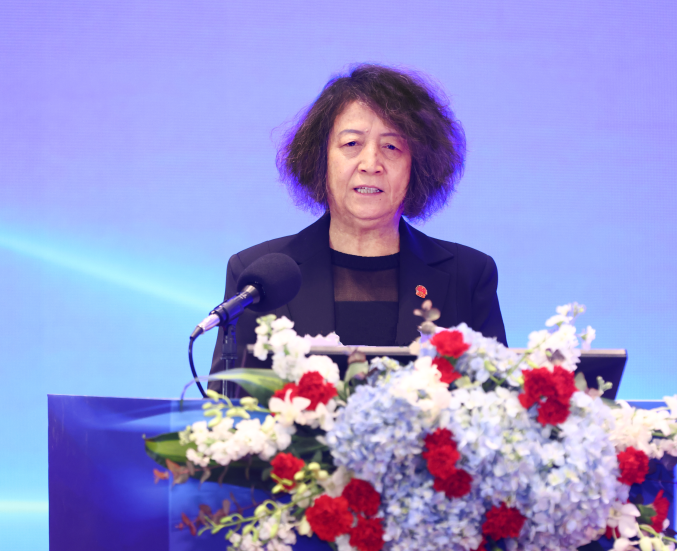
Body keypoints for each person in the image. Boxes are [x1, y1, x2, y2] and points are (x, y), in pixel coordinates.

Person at [210, 64, 506, 374]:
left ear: (417, 165)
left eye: (391, 146)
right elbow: (226, 399)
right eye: (352, 144)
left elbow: (497, 394)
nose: (371, 163)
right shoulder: (257, 277)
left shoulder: (467, 275)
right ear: (320, 159)